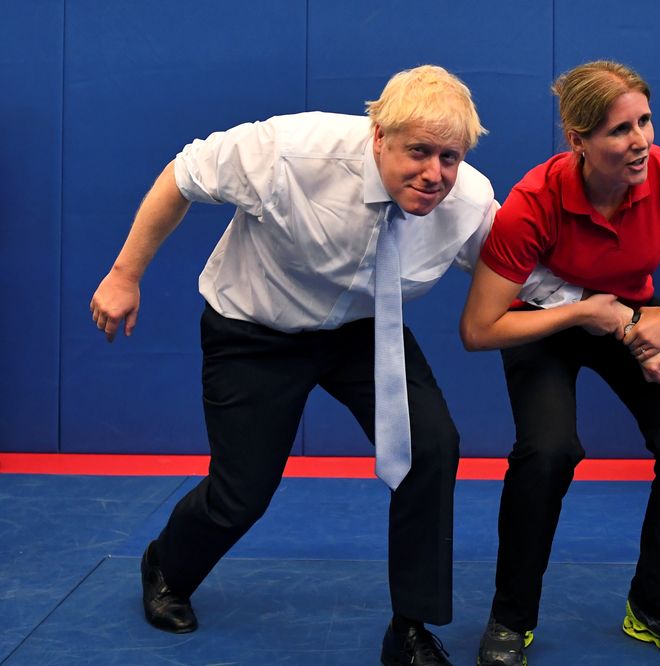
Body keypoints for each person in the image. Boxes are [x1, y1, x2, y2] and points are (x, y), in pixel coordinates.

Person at [89, 64, 570, 666]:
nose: (434, 174)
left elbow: (524, 276)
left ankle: (411, 628)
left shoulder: (468, 201)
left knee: (432, 445)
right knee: (242, 494)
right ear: (378, 137)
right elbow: (182, 176)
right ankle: (167, 564)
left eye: (449, 157)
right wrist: (124, 274)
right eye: (418, 152)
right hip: (255, 331)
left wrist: (625, 320)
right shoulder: (291, 151)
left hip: (363, 332)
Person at [461, 61, 660, 665]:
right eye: (619, 130)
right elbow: (479, 329)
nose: (641, 141)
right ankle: (511, 617)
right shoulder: (532, 202)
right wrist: (586, 315)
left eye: (645, 121)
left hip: (631, 308)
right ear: (577, 141)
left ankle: (659, 606)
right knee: (548, 451)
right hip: (541, 320)